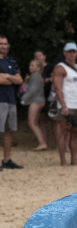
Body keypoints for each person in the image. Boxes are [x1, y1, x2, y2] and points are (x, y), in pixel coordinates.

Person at [52, 42, 77, 166]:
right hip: (67, 105)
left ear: (76, 53)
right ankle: (63, 161)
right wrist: (63, 105)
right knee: (64, 132)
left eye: (74, 51)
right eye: (69, 51)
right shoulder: (60, 68)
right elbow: (58, 87)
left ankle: (74, 160)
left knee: (76, 131)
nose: (72, 54)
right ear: (64, 53)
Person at [0, 35, 24, 169]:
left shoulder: (11, 61)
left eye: (5, 44)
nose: (3, 46)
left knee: (9, 130)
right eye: (1, 44)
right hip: (0, 100)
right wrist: (11, 78)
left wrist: (7, 76)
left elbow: (19, 80)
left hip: (10, 99)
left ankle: (6, 160)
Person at [20, 58, 48, 150]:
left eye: (32, 65)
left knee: (31, 123)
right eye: (30, 65)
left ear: (39, 68)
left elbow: (32, 90)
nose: (30, 67)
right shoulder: (38, 76)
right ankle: (42, 142)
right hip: (40, 100)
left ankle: (42, 143)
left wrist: (24, 99)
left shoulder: (35, 76)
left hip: (36, 101)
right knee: (35, 123)